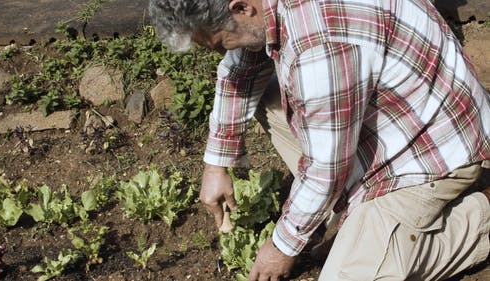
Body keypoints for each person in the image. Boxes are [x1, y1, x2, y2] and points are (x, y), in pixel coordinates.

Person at [149, 0, 490, 280]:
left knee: (349, 276)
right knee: (267, 97)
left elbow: (327, 169)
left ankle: (479, 216)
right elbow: (242, 67)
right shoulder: (263, 12)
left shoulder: (322, 47)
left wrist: (281, 248)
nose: (224, 51)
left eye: (221, 42)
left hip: (433, 152)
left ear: (240, 9)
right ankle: (348, 217)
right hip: (388, 116)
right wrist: (216, 164)